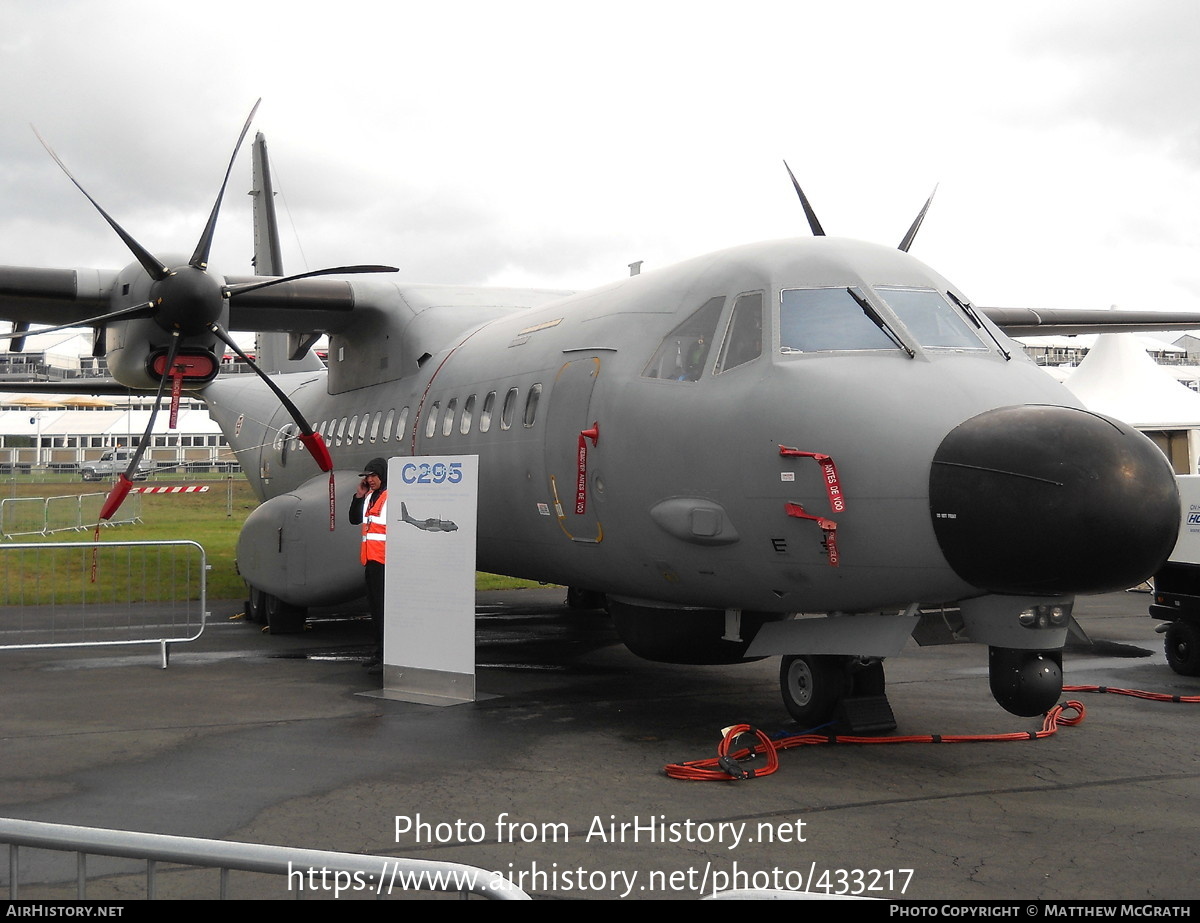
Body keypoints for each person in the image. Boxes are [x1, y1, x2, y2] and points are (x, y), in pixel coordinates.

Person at [349, 457, 388, 671]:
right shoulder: (369, 496)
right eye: (367, 477)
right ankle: (379, 651)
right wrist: (359, 496)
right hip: (370, 561)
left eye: (373, 476)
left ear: (382, 475)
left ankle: (385, 653)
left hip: (384, 562)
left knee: (383, 610)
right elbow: (354, 519)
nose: (370, 480)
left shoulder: (389, 497)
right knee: (374, 609)